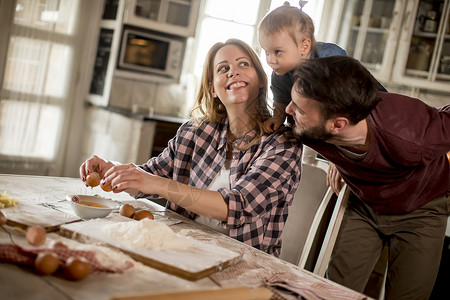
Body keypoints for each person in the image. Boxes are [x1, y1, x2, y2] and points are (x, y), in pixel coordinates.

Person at [79, 39, 302, 256]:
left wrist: (155, 183)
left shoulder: (282, 144)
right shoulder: (195, 132)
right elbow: (149, 175)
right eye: (223, 68)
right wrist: (111, 169)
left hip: (243, 266)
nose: (233, 71)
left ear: (261, 80)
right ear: (213, 89)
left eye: (243, 64)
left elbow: (237, 206)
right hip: (179, 250)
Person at [286, 55, 450, 299]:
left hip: (422, 211)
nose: (289, 110)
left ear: (338, 125)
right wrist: (337, 158)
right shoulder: (306, 124)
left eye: (298, 109)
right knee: (335, 291)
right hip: (366, 205)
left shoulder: (412, 135)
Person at [258, 1, 347, 133]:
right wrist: (278, 118)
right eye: (266, 52)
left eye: (277, 52)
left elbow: (346, 91)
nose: (270, 60)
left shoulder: (328, 57)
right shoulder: (280, 73)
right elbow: (281, 98)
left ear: (304, 47)